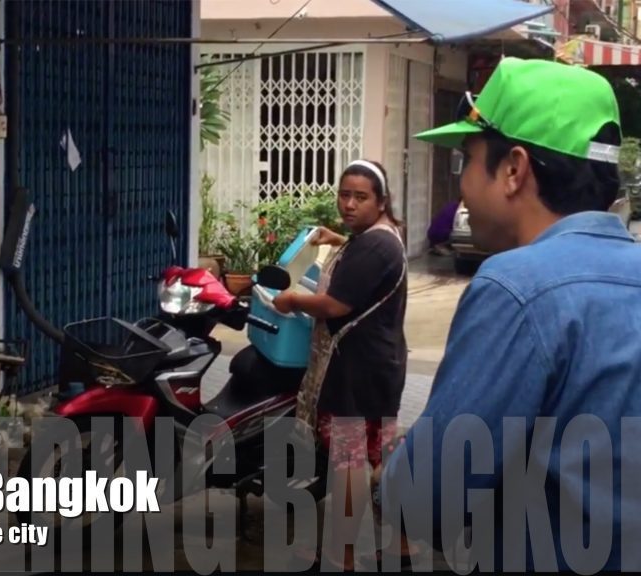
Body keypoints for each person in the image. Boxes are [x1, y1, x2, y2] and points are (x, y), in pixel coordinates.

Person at [372, 57, 641, 572]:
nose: (462, 186)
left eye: (465, 161)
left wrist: (404, 460)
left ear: (514, 169)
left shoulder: (516, 288)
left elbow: (422, 501)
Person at [273, 159, 409, 570]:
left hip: (356, 370)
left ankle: (343, 554)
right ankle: (405, 545)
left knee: (348, 464)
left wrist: (292, 299)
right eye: (344, 194)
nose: (348, 204)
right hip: (379, 367)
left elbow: (336, 305)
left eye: (360, 197)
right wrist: (337, 239)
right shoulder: (381, 236)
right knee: (378, 457)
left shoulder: (374, 245)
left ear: (381, 200)